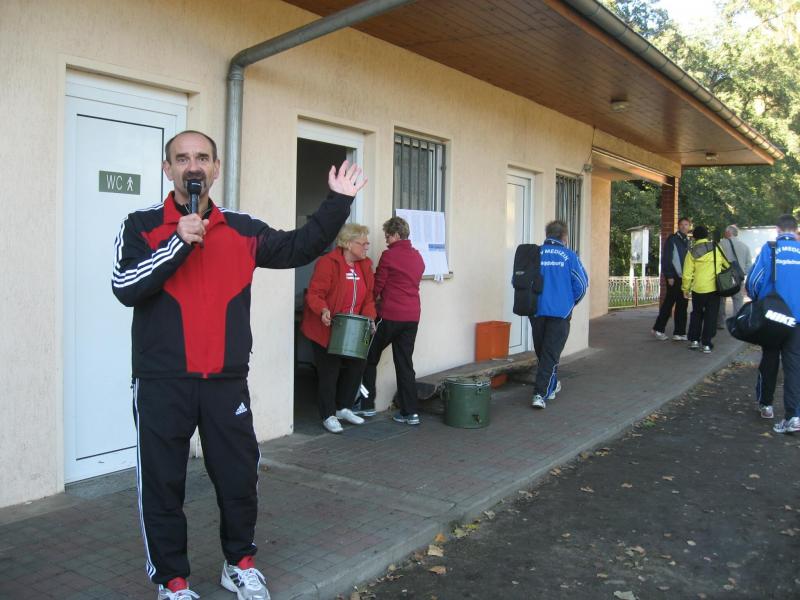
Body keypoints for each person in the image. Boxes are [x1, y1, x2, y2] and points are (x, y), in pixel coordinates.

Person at [112, 130, 366, 600]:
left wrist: (338, 202)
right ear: (167, 169)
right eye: (182, 158)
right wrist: (176, 242)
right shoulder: (141, 224)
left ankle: (239, 564)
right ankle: (173, 581)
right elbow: (125, 286)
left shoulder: (243, 229)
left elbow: (299, 247)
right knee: (163, 484)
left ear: (216, 168)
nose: (193, 166)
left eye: (202, 157)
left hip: (225, 381)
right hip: (162, 381)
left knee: (239, 479)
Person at [301, 223, 377, 433]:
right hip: (326, 327)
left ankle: (343, 407)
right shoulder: (328, 263)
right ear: (348, 244)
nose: (367, 247)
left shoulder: (365, 265)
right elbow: (315, 294)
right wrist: (323, 310)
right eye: (363, 243)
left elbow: (369, 298)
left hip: (353, 328)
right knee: (329, 372)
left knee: (357, 365)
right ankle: (328, 415)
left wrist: (370, 318)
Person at [361, 217, 425, 424]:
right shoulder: (418, 257)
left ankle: (367, 405)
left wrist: (367, 304)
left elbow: (378, 285)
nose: (386, 240)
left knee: (368, 357)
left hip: (390, 315)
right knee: (405, 364)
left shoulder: (389, 256)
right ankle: (410, 412)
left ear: (396, 235)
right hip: (412, 316)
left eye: (388, 236)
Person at [746, 214, 800, 433]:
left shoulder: (770, 249)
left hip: (774, 316)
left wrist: (758, 299)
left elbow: (754, 280)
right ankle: (793, 416)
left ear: (778, 230)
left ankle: (766, 405)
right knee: (794, 365)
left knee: (769, 358)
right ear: (795, 230)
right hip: (797, 319)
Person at [530, 220, 589, 409]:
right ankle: (540, 394)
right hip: (560, 313)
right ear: (564, 237)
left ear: (547, 234)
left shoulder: (534, 254)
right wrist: (570, 303)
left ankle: (551, 386)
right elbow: (581, 284)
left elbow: (519, 280)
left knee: (544, 352)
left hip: (536, 311)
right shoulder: (570, 256)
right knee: (550, 354)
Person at [681, 225, 729, 354]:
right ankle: (706, 344)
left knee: (696, 314)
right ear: (707, 236)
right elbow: (726, 264)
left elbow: (687, 273)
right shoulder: (716, 247)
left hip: (698, 288)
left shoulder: (692, 251)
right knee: (711, 315)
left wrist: (685, 289)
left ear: (694, 237)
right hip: (714, 288)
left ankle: (694, 341)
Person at [652, 217, 692, 341]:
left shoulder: (687, 241)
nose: (684, 226)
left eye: (686, 224)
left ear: (689, 226)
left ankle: (679, 333)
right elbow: (667, 259)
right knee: (669, 304)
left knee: (683, 305)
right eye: (682, 224)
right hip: (674, 277)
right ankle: (658, 329)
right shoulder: (672, 239)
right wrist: (669, 275)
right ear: (678, 226)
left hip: (684, 278)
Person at [717, 224, 753, 328]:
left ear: (728, 233)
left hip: (723, 277)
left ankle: (720, 323)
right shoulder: (744, 246)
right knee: (738, 300)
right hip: (738, 277)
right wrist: (743, 273)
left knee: (721, 300)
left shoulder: (720, 245)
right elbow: (749, 264)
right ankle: (737, 324)